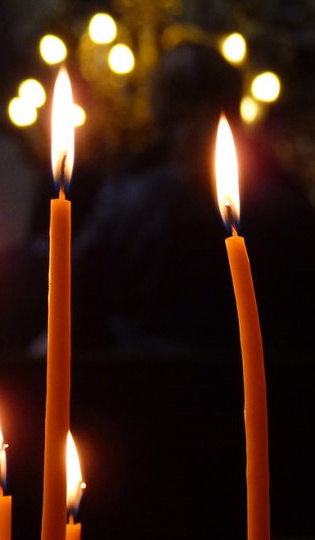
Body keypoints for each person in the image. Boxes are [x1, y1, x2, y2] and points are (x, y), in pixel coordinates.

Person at [70, 42, 315, 356]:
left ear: (160, 106)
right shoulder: (283, 201)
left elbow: (81, 291)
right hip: (238, 382)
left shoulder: (127, 200)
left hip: (144, 385)